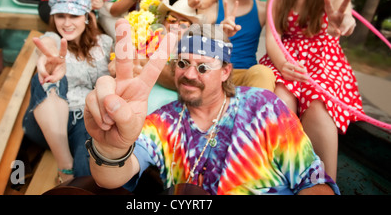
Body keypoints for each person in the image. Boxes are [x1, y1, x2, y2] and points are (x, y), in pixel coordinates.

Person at [83, 22, 339, 195]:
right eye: (183, 63)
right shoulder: (163, 122)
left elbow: (312, 179)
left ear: (226, 71)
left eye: (203, 67)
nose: (190, 74)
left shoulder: (264, 107)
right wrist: (109, 148)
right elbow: (111, 177)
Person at [259, 0, 363, 181]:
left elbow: (341, 1)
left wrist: (344, 17)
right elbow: (273, 39)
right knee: (280, 100)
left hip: (323, 58)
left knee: (318, 105)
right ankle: (280, 176)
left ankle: (324, 184)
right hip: (285, 59)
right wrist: (283, 65)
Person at [23, 0, 112, 183]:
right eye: (61, 16)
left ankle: (76, 175)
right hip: (47, 123)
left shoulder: (105, 43)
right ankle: (65, 167)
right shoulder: (53, 38)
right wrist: (48, 58)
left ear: (87, 17)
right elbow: (48, 45)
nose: (67, 22)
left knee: (88, 168)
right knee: (48, 79)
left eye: (74, 15)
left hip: (85, 120)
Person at [108, 0, 204, 113]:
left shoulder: (192, 54)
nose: (175, 25)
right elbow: (115, 68)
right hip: (130, 107)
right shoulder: (144, 39)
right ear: (164, 21)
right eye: (172, 19)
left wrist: (144, 61)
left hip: (166, 116)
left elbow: (177, 80)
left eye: (183, 24)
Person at [214, 0, 275, 91]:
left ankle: (262, 112)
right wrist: (220, 33)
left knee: (263, 73)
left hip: (245, 75)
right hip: (215, 73)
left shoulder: (263, 9)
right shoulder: (214, 5)